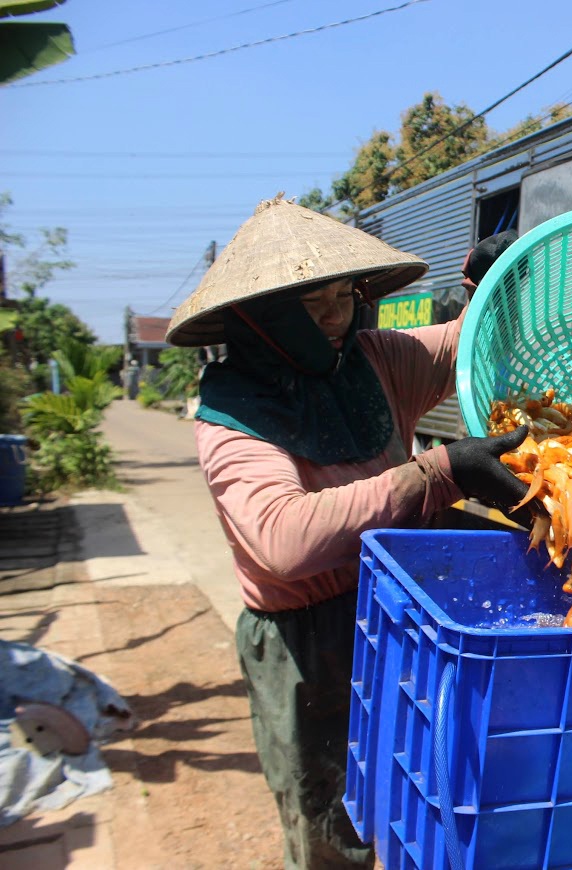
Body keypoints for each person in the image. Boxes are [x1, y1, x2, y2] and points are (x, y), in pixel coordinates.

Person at [165, 196, 528, 869]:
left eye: (342, 294)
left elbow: (468, 342)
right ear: (260, 317)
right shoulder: (230, 416)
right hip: (310, 641)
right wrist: (437, 475)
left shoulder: (373, 361)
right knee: (333, 824)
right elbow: (283, 540)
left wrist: (499, 285)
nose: (335, 316)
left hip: (398, 610)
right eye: (310, 303)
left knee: (417, 795)